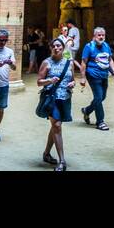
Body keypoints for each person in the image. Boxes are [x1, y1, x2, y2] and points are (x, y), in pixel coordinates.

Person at [37, 35, 80, 172]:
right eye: (53, 46)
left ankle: (46, 153)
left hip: (65, 98)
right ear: (50, 48)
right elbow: (39, 82)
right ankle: (62, 161)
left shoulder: (69, 62)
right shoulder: (46, 62)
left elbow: (72, 79)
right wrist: (50, 81)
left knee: (55, 126)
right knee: (57, 125)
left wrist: (73, 83)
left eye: (58, 46)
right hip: (51, 98)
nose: (56, 48)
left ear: (63, 48)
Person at [80, 26, 114, 131]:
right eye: (99, 35)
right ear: (94, 36)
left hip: (104, 75)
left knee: (102, 97)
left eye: (103, 35)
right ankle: (100, 122)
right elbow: (84, 62)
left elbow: (110, 60)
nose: (101, 37)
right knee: (98, 97)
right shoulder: (89, 47)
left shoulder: (106, 46)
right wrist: (83, 78)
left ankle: (87, 110)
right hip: (93, 75)